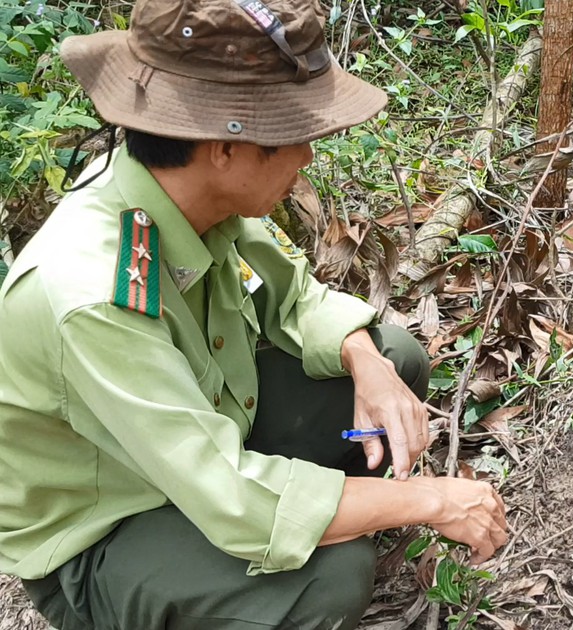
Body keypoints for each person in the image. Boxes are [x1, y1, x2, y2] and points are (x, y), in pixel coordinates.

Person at [0, 0, 508, 628]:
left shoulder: (187, 193)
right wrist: (427, 499)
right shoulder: (91, 295)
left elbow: (293, 293)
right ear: (224, 148)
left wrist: (364, 359)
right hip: (108, 534)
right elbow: (232, 495)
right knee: (328, 580)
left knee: (392, 356)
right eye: (295, 136)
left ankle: (327, 517)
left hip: (201, 441)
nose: (308, 157)